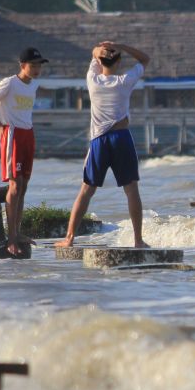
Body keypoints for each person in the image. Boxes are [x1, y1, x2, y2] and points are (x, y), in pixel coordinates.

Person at [56, 41, 151, 248]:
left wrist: (100, 49)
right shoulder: (125, 80)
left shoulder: (92, 79)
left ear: (99, 61)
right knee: (131, 190)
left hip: (99, 140)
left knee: (86, 190)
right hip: (121, 138)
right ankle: (138, 240)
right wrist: (123, 46)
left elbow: (94, 54)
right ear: (119, 62)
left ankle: (69, 238)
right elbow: (145, 59)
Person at [0, 46, 48, 256]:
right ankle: (11, 238)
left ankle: (18, 233)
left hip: (28, 133)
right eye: (33, 65)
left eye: (39, 65)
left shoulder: (33, 85)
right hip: (12, 134)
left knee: (24, 186)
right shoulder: (9, 83)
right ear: (23, 65)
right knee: (15, 186)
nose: (36, 69)